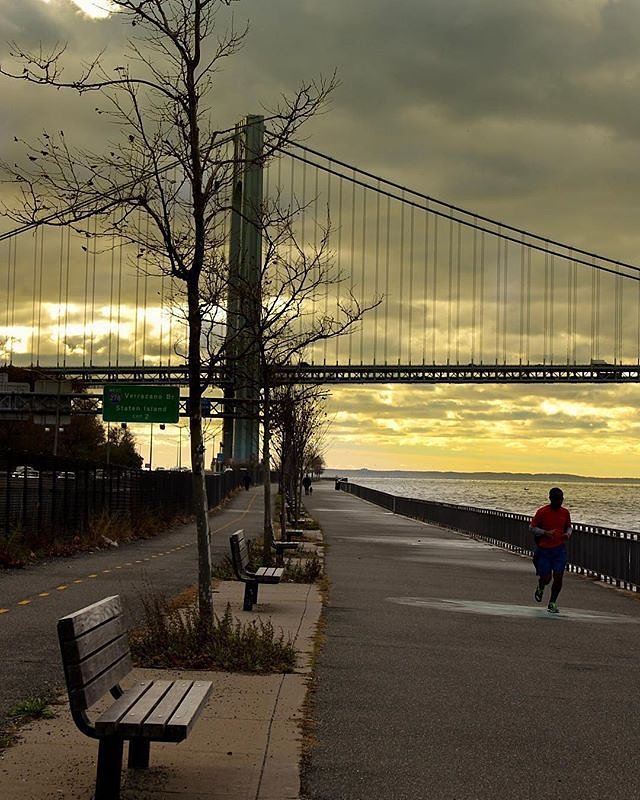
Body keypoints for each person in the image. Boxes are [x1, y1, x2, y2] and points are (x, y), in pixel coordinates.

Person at [529, 487, 573, 614]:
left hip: (559, 550)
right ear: (550, 499)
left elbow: (569, 527)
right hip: (544, 550)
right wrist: (545, 533)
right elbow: (532, 528)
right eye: (556, 499)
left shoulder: (565, 512)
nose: (559, 502)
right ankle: (541, 586)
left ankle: (552, 602)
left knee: (558, 576)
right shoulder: (542, 512)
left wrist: (568, 534)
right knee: (547, 578)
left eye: (560, 499)